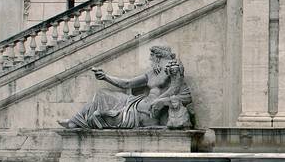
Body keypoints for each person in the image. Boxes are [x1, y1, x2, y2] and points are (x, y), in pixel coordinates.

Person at [58, 44, 195, 129]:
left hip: (146, 109)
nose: (150, 60)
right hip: (139, 102)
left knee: (108, 102)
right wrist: (106, 77)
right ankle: (75, 121)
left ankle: (82, 120)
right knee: (102, 94)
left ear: (158, 57)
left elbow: (177, 91)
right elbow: (128, 83)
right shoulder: (151, 73)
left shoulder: (173, 68)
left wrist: (160, 101)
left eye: (151, 57)